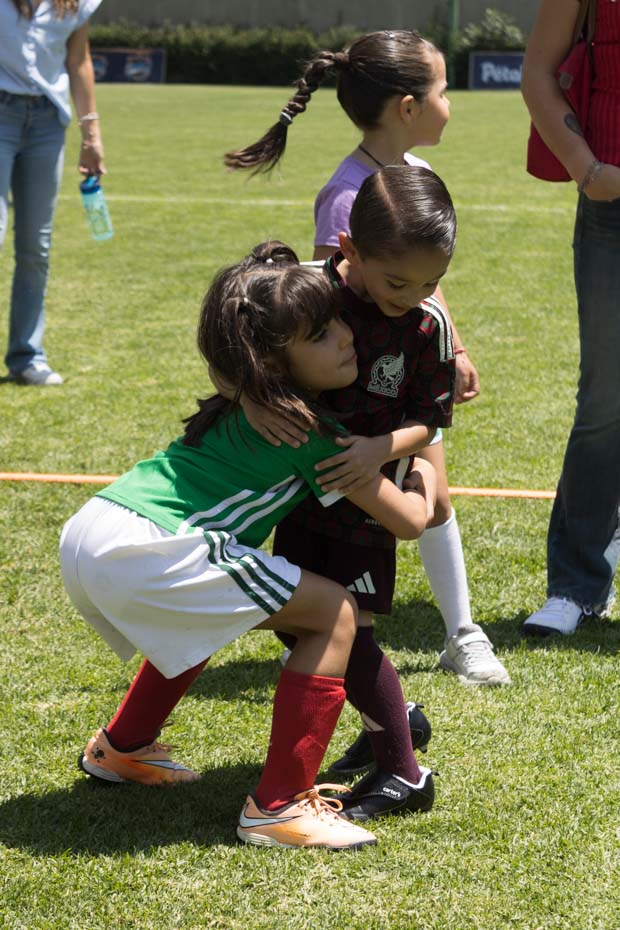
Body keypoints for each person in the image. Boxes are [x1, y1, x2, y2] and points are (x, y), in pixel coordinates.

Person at [59, 241, 437, 849]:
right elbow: (412, 521)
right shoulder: (314, 434)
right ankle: (279, 805)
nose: (346, 337)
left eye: (337, 320)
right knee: (336, 615)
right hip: (154, 546)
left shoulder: (239, 400)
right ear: (272, 364)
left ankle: (121, 749)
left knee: (206, 616)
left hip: (97, 524)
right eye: (320, 335)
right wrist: (422, 464)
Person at [225, 29, 510, 688]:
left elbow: (421, 285)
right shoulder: (347, 194)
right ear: (407, 106)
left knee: (431, 502)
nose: (451, 104)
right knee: (400, 508)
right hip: (364, 394)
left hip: (407, 377)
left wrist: (454, 346)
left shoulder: (418, 176)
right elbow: (337, 305)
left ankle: (456, 633)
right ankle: (359, 640)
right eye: (443, 91)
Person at [521, 0, 620, 635]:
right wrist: (587, 171)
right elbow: (538, 73)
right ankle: (577, 585)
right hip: (613, 206)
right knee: (606, 399)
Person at [0, 0, 104, 386]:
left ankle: (27, 356)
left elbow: (78, 62)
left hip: (47, 123)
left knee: (35, 246)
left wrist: (91, 135)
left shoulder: (72, 3)